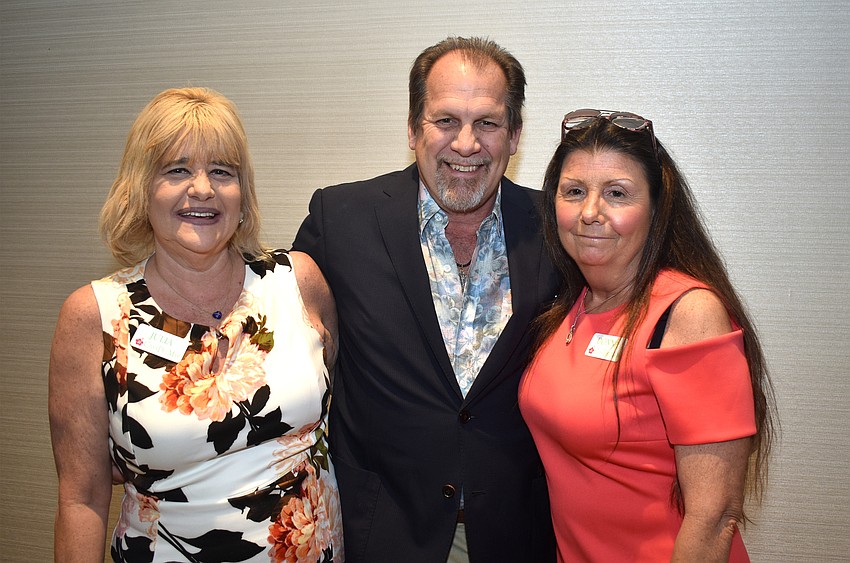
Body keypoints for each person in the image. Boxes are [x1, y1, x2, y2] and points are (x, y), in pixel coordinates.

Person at [49, 87, 344, 562]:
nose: (203, 188)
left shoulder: (298, 281)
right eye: (177, 169)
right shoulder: (95, 316)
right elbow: (81, 500)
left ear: (242, 194)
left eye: (222, 171)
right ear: (140, 190)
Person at [292, 37, 557, 562]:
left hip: (517, 533)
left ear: (515, 135)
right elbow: (280, 345)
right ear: (413, 129)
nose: (466, 144)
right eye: (446, 121)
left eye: (487, 123)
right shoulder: (340, 219)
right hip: (383, 532)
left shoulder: (556, 228)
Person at [519, 109, 776, 562]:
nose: (590, 212)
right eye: (574, 191)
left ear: (656, 209)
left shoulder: (687, 313)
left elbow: (715, 515)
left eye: (616, 194)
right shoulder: (571, 305)